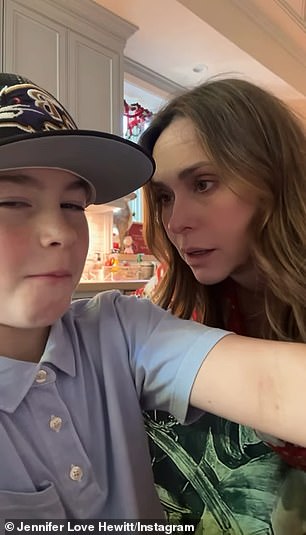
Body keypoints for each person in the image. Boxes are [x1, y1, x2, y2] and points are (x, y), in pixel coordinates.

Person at [0, 72, 305, 521]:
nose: (60, 233)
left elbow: (274, 388)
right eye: (11, 202)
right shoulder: (173, 306)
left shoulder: (119, 328)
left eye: (72, 206)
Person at [139, 77, 306, 534]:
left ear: (271, 177)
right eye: (165, 197)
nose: (176, 222)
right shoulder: (187, 310)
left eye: (205, 183)